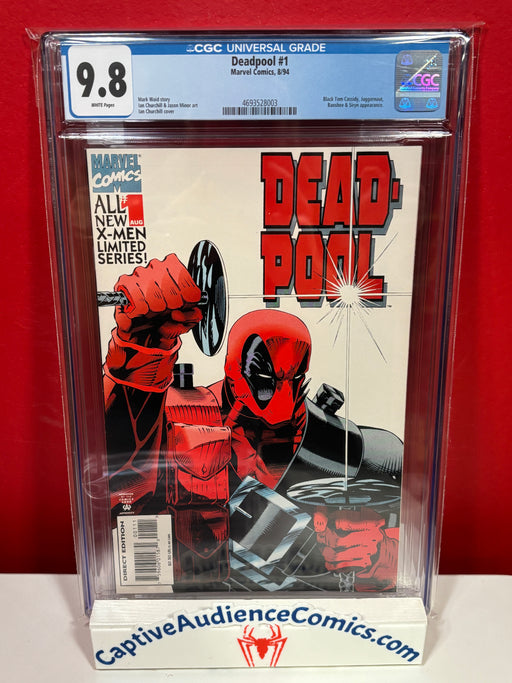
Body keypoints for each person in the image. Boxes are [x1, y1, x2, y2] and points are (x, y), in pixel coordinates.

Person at [103, 254, 398, 591]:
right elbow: (115, 494)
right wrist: (141, 354)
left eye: (294, 379)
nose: (280, 404)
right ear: (232, 369)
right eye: (265, 381)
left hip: (313, 612)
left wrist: (378, 554)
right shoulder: (179, 419)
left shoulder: (352, 449)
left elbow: (405, 543)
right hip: (190, 606)